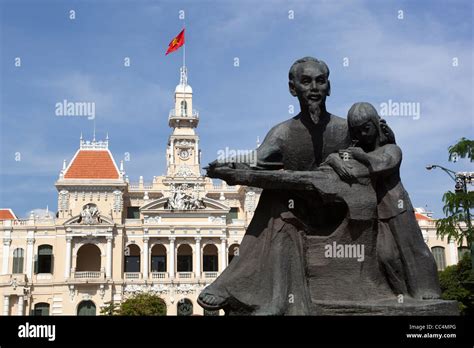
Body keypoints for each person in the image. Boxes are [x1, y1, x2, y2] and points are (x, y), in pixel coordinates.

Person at [327, 102, 441, 299]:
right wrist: (336, 161)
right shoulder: (358, 152)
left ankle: (428, 290)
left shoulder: (391, 149)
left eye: (366, 128)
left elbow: (382, 165)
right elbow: (332, 157)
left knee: (413, 250)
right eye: (357, 131)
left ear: (376, 124)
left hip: (398, 207)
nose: (363, 134)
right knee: (386, 255)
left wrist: (362, 156)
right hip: (378, 211)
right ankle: (403, 293)